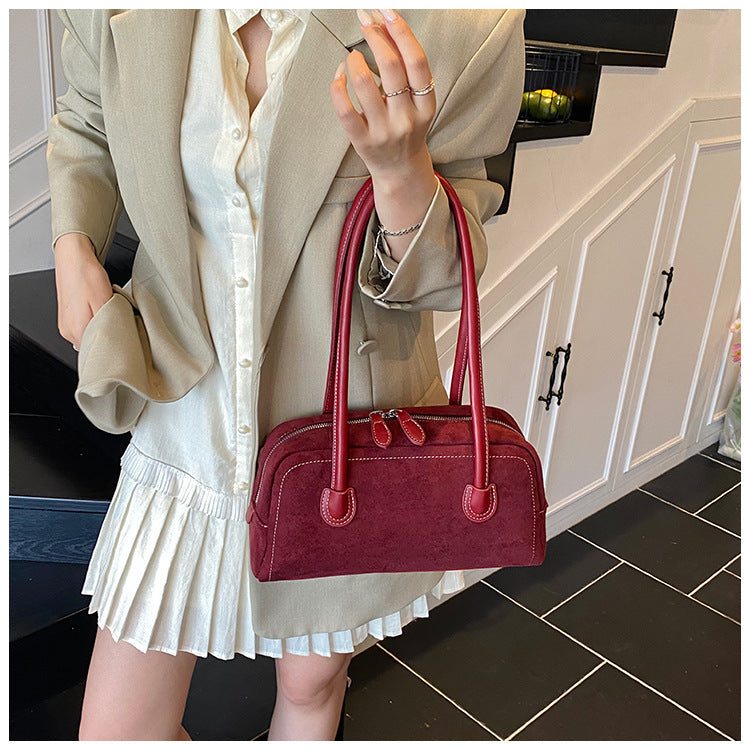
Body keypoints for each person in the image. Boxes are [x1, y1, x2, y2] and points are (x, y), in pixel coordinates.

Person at [47, 8, 525, 741]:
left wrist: (402, 174)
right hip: (184, 419)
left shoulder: (465, 23)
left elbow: (451, 266)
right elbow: (88, 120)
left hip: (343, 438)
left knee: (310, 685)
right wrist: (72, 243)